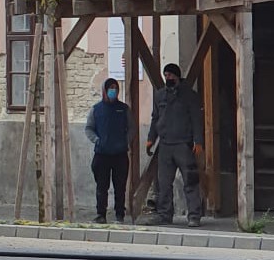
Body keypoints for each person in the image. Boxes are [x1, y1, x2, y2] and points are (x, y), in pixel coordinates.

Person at [143, 63, 204, 227]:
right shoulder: (159, 95)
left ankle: (194, 215)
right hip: (165, 145)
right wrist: (151, 138)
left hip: (183, 145)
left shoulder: (189, 95)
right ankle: (164, 214)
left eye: (170, 75)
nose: (167, 78)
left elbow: (196, 119)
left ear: (177, 76)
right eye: (165, 75)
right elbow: (155, 118)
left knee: (190, 181)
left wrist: (198, 141)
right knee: (163, 183)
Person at [85, 78, 132, 224]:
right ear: (105, 90)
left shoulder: (124, 109)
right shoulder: (96, 109)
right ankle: (101, 214)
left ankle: (119, 214)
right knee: (101, 186)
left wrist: (126, 141)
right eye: (110, 88)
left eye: (115, 88)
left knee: (120, 187)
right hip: (102, 154)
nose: (113, 91)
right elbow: (89, 128)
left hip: (120, 154)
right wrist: (97, 140)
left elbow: (131, 128)